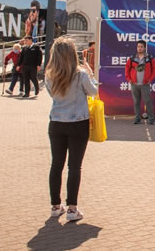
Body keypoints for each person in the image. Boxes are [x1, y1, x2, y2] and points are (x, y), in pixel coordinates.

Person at [44, 36, 98, 222]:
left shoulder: (50, 75)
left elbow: (52, 95)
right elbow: (93, 92)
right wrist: (90, 74)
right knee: (74, 166)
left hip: (57, 122)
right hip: (78, 123)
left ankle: (55, 205)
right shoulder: (80, 74)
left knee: (56, 164)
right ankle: (72, 208)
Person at [124, 40, 155, 125]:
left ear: (145, 47)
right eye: (138, 46)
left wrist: (150, 79)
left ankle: (151, 119)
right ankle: (137, 118)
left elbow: (154, 70)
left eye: (141, 47)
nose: (140, 48)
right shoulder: (132, 58)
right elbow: (127, 69)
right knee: (136, 102)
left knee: (148, 101)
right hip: (134, 84)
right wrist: (129, 79)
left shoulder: (150, 58)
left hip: (145, 84)